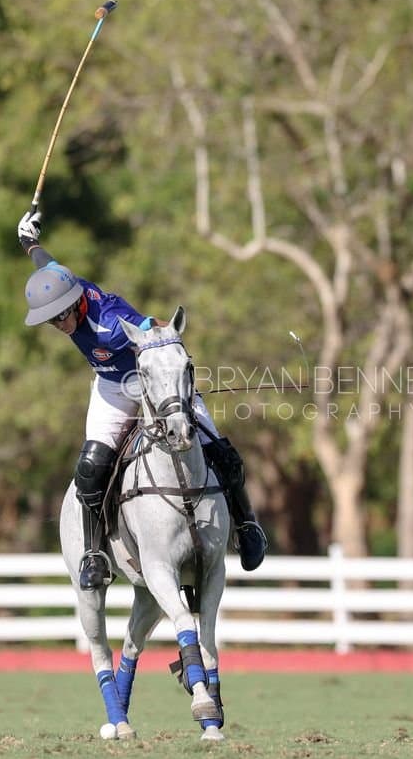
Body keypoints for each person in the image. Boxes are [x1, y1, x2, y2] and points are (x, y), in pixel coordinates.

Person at [17, 209, 268, 589]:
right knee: (91, 467)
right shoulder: (65, 287)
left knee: (221, 451)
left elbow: (157, 330)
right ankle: (94, 552)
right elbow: (48, 265)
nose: (58, 325)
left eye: (60, 317)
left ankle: (246, 526)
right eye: (51, 320)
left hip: (151, 380)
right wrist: (29, 241)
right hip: (111, 387)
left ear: (74, 303)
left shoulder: (111, 319)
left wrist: (172, 379)